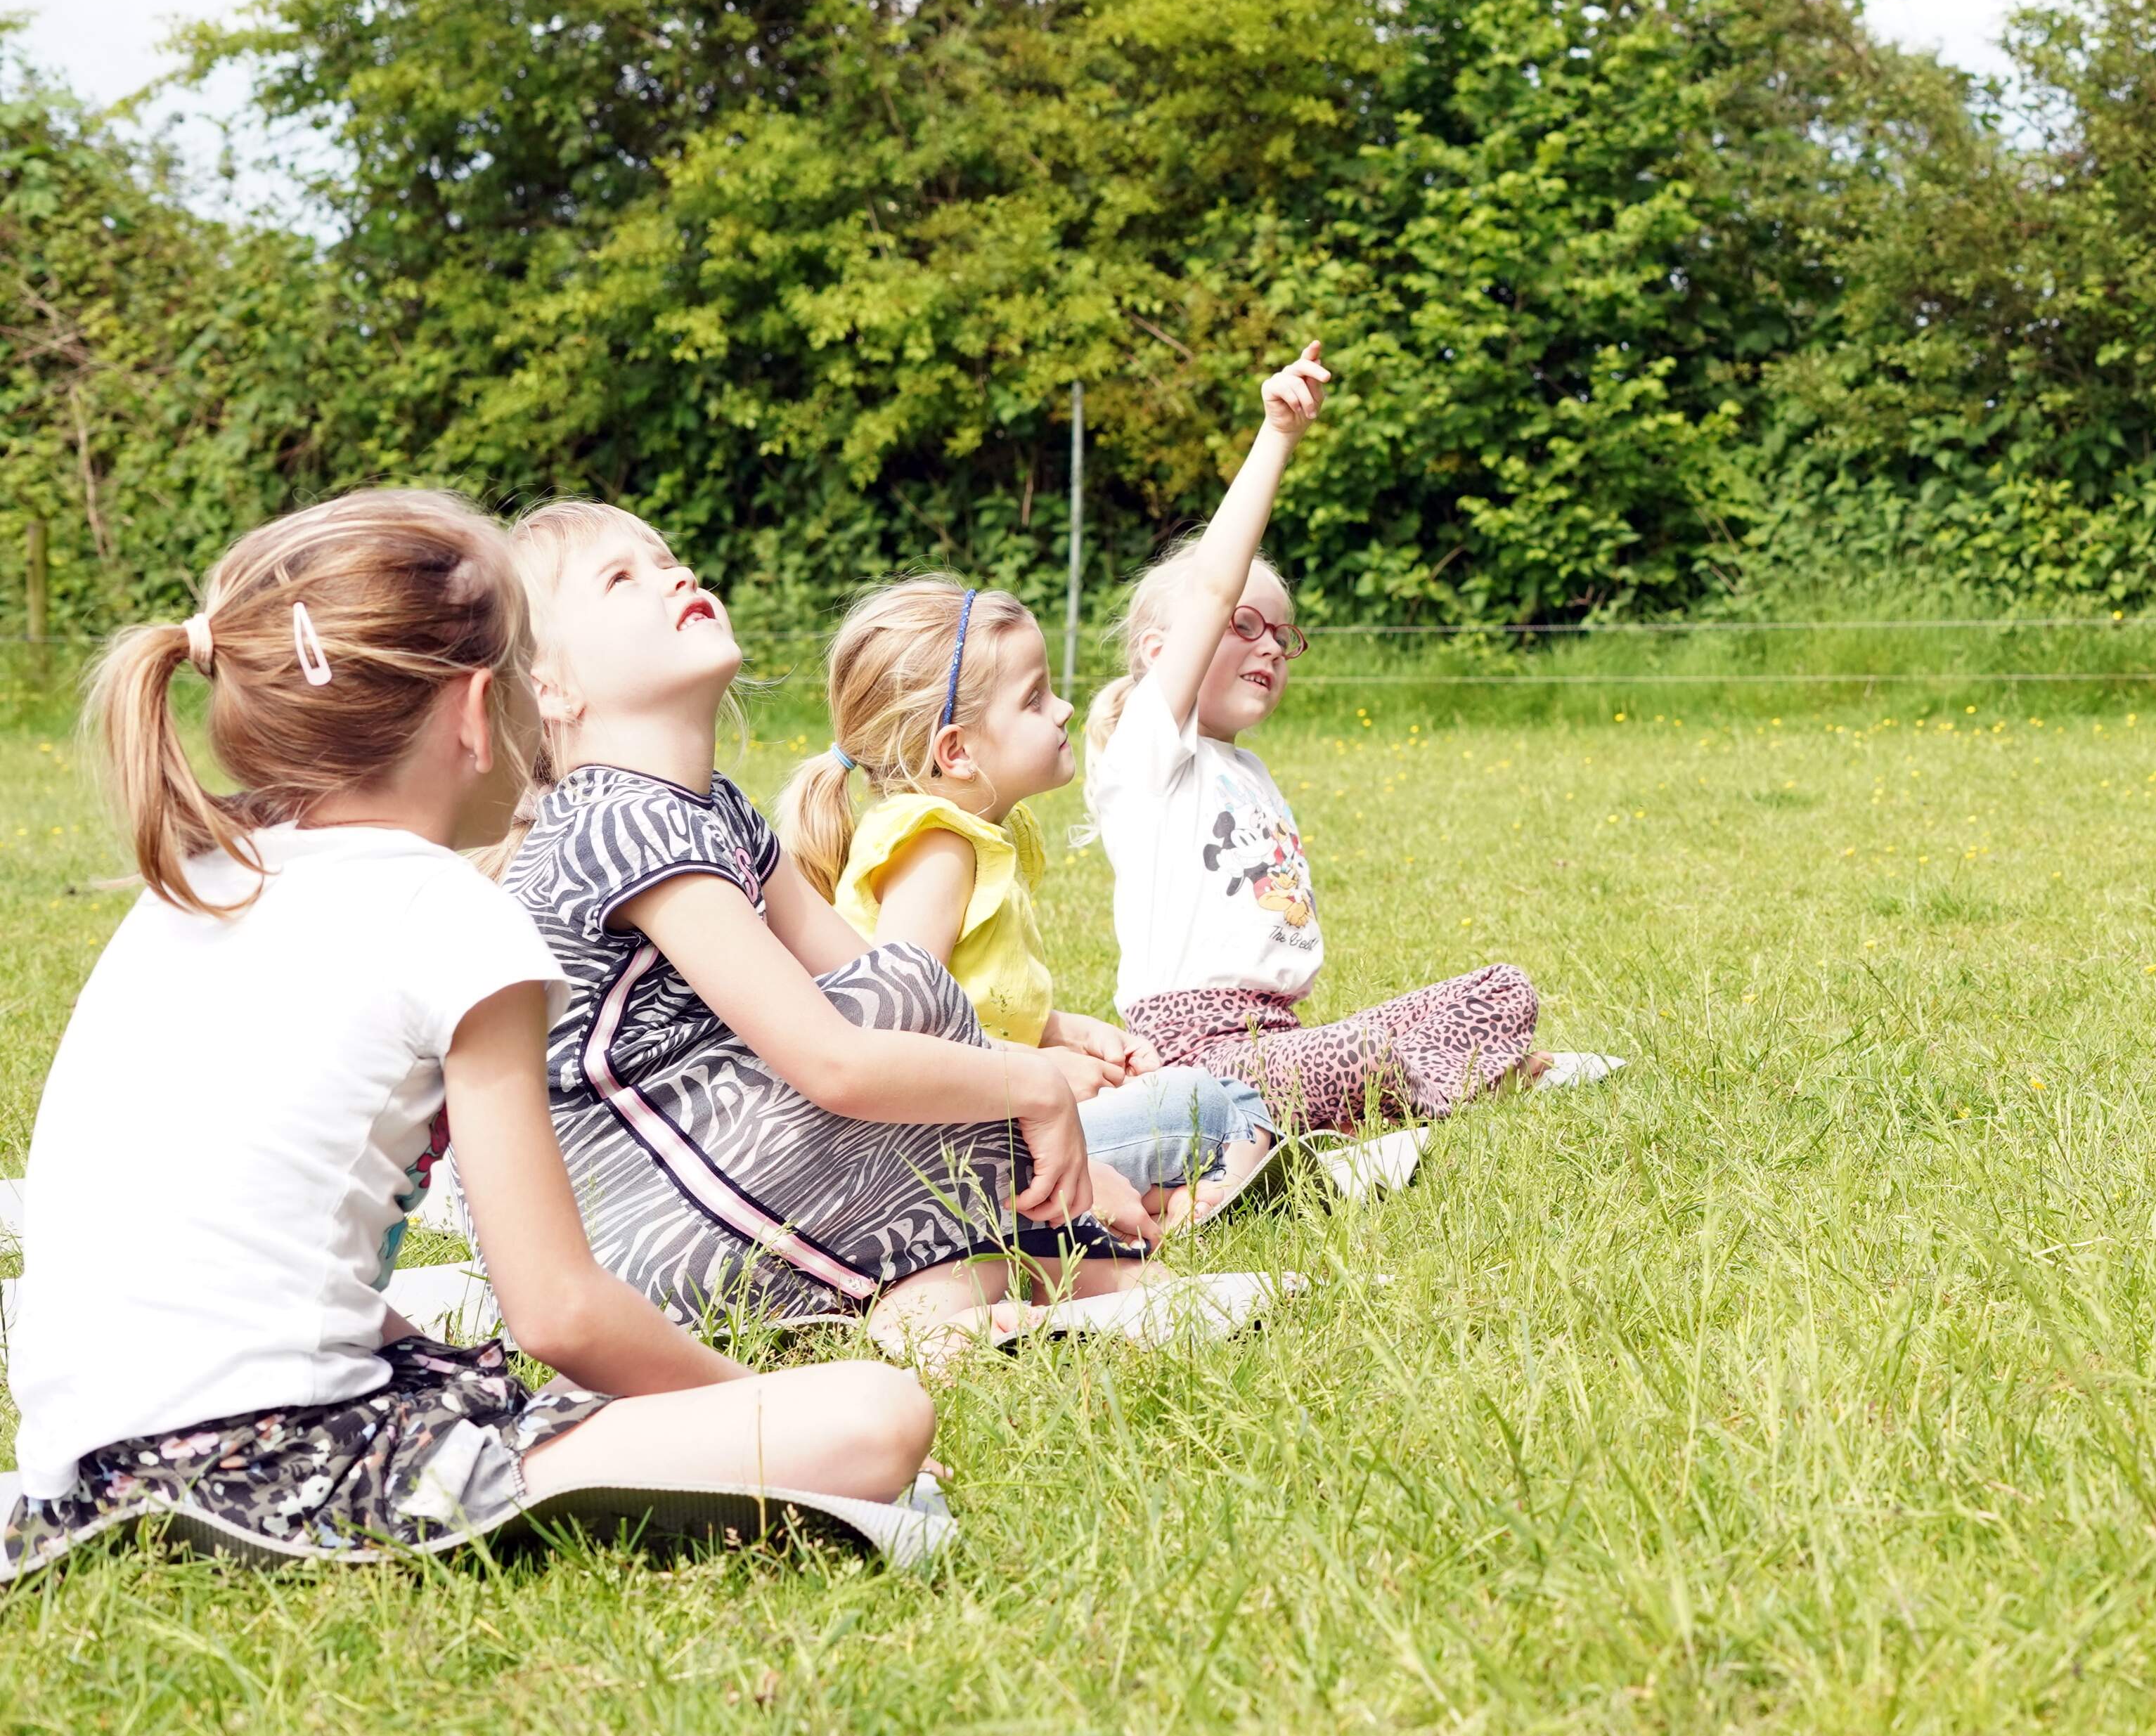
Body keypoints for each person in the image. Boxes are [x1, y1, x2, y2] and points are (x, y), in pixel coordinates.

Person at [4, 491, 934, 1575]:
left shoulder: (197, 882)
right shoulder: (448, 914)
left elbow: (243, 1257)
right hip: (277, 1471)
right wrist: (760, 1403)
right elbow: (560, 1308)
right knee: (874, 1416)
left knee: (477, 1379)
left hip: (90, 1465)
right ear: (475, 709)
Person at [503, 500, 1161, 1356]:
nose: (675, 575)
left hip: (712, 1175)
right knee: (911, 1005)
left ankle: (979, 1281)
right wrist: (1036, 1095)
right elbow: (834, 1061)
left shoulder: (711, 809)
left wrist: (1035, 1098)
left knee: (905, 990)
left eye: (667, 557)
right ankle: (987, 1280)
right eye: (621, 579)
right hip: (633, 1232)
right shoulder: (619, 821)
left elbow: (883, 996)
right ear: (551, 688)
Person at [1091, 344, 1557, 1130]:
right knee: (1360, 1061)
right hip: (1190, 1052)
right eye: (1244, 626)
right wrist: (1277, 436)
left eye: (1282, 634)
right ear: (1162, 655)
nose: (1270, 646)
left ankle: (1416, 1086)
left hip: (1281, 1040)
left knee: (1503, 989)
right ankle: (1441, 1088)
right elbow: (1210, 583)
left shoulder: (1250, 770)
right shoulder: (1148, 752)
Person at [779, 576, 1283, 1231]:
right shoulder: (937, 851)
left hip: (989, 1123)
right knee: (1220, 1103)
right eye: (1035, 697)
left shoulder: (962, 837)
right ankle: (1181, 1208)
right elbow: (901, 1031)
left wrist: (1066, 1030)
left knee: (1198, 1096)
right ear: (956, 751)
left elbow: (965, 998)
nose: (1065, 707)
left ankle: (1146, 1205)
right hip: (953, 1148)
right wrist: (1041, 1068)